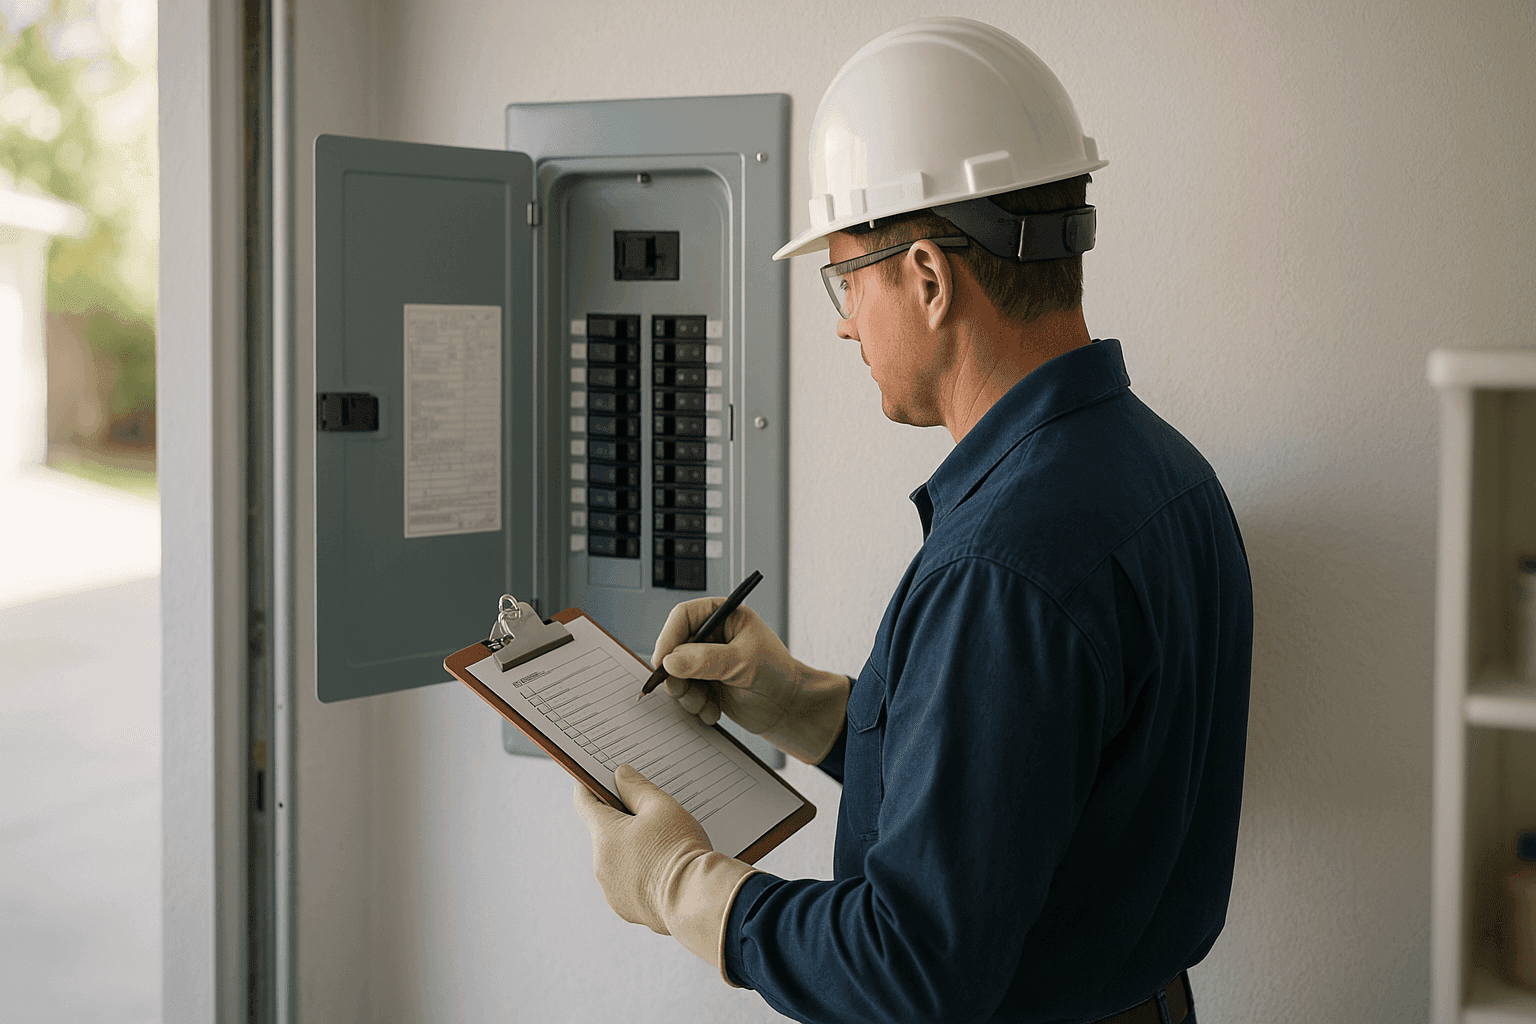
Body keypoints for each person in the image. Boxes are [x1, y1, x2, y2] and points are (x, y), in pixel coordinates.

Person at [573, 17, 1252, 1024]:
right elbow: (1021, 794)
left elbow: (913, 969)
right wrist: (800, 704)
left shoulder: (1002, 565)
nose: (844, 321)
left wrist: (685, 887)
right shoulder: (1171, 475)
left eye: (845, 278)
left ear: (928, 278)